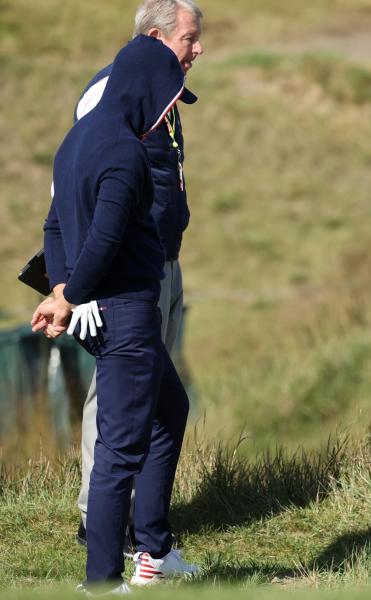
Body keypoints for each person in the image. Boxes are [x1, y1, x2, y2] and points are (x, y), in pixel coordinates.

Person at [32, 35, 198, 591]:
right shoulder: (124, 148)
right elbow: (101, 237)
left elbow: (54, 227)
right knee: (120, 449)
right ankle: (102, 580)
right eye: (167, 98)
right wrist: (68, 295)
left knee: (169, 408)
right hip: (124, 312)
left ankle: (152, 549)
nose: (167, 111)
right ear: (146, 90)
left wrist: (62, 287)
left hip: (105, 311)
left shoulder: (75, 140)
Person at [74, 0, 203, 562]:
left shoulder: (165, 95)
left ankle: (144, 532)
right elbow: (76, 185)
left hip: (162, 265)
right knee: (118, 395)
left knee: (154, 399)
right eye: (189, 39)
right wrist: (75, 286)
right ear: (155, 36)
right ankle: (101, 523)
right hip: (122, 277)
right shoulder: (107, 95)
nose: (198, 49)